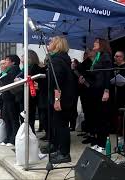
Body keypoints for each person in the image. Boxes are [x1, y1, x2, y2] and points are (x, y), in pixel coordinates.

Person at [47, 36, 77, 164]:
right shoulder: (63, 58)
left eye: (51, 41)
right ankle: (60, 150)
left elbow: (57, 82)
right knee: (59, 125)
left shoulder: (57, 60)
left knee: (62, 126)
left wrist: (57, 100)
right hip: (65, 97)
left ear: (57, 44)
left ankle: (64, 154)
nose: (49, 43)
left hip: (61, 98)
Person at [82, 38, 112, 147]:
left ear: (102, 44)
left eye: (96, 42)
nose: (94, 44)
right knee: (97, 117)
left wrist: (106, 91)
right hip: (95, 91)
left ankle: (103, 143)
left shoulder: (106, 56)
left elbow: (107, 75)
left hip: (102, 91)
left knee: (102, 118)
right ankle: (98, 140)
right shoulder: (98, 56)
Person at [0, 55, 21, 146]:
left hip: (11, 98)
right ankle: (8, 137)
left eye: (7, 60)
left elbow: (7, 80)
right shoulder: (8, 70)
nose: (5, 62)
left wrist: (3, 75)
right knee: (6, 118)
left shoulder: (14, 69)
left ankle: (13, 138)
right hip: (6, 98)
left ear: (13, 62)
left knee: (13, 119)